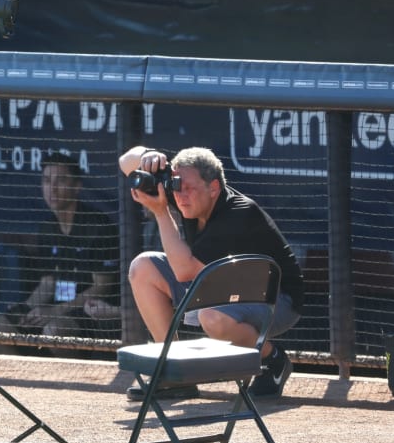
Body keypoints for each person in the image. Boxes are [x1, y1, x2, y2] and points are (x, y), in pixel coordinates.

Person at [119, 145, 303, 400]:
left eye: (190, 188)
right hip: (220, 285)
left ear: (213, 187)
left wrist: (161, 212)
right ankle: (171, 371)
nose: (181, 195)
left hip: (274, 300)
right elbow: (125, 162)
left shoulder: (237, 214)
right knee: (143, 267)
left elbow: (184, 272)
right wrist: (146, 156)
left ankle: (273, 360)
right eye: (177, 186)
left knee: (212, 317)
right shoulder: (184, 190)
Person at [0, 152, 120, 341]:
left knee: (54, 332)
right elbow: (48, 282)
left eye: (61, 180)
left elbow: (102, 287)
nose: (52, 189)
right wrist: (27, 308)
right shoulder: (47, 228)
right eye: (47, 181)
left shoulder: (99, 227)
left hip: (91, 311)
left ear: (77, 186)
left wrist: (55, 311)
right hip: (53, 308)